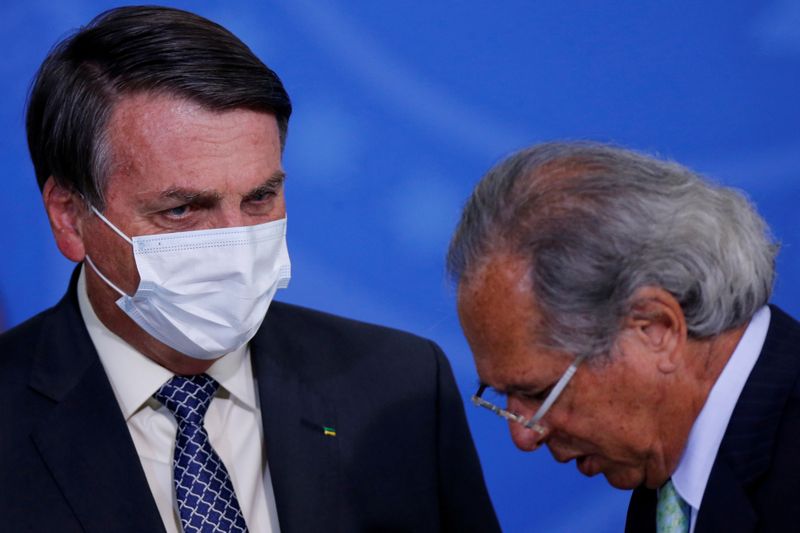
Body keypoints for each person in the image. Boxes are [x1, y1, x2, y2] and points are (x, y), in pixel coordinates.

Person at [0, 6, 500, 532]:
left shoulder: (400, 387)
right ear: (70, 218)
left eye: (261, 197)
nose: (235, 242)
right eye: (182, 209)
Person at [447, 141, 800, 533]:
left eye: (538, 393)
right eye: (502, 398)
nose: (523, 435)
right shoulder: (669, 481)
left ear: (656, 328)